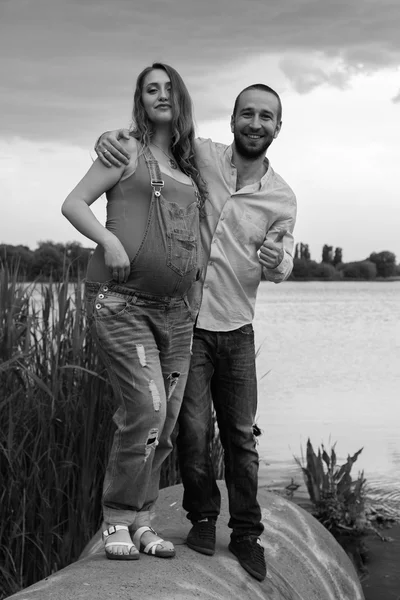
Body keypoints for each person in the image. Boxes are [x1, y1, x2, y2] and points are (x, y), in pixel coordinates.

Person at [95, 82, 297, 580]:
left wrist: (278, 262)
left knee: (241, 438)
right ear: (231, 122)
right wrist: (111, 136)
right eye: (246, 114)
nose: (255, 123)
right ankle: (202, 518)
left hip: (236, 327)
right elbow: (156, 139)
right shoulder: (200, 157)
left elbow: (283, 258)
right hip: (186, 321)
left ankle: (247, 535)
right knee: (189, 429)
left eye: (265, 117)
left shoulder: (282, 197)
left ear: (277, 128)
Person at [62, 62, 206, 561]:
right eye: (151, 89)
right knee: (146, 411)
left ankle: (144, 520)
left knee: (164, 423)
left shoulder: (190, 166)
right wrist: (107, 240)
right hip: (123, 304)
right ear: (140, 100)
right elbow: (74, 203)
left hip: (178, 312)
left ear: (181, 98)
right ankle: (117, 519)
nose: (161, 95)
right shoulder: (123, 148)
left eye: (169, 88)